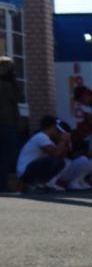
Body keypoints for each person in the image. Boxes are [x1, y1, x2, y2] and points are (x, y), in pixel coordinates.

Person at [15, 117, 71, 192]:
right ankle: (32, 185)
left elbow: (61, 156)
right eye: (57, 130)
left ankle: (40, 184)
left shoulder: (46, 139)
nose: (59, 132)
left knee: (61, 162)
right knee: (53, 161)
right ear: (53, 127)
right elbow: (55, 154)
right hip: (25, 171)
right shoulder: (41, 137)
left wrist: (66, 143)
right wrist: (62, 140)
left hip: (31, 169)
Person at [0, 56, 24, 192]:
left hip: (8, 124)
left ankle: (3, 184)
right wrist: (13, 81)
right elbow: (20, 98)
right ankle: (2, 185)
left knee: (5, 156)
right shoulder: (8, 84)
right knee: (6, 156)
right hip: (7, 124)